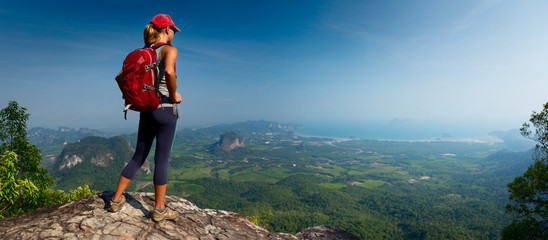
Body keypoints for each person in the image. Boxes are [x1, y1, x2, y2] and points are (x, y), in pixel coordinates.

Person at [109, 14, 183, 222]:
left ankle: (115, 200)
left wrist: (132, 98)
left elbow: (119, 78)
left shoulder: (142, 53)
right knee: (161, 159)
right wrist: (173, 94)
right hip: (166, 110)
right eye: (173, 31)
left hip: (146, 109)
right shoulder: (169, 50)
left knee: (138, 156)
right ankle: (159, 210)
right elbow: (169, 72)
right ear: (167, 30)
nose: (174, 35)